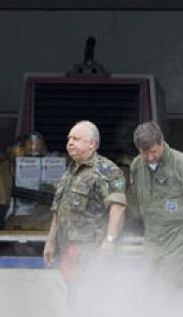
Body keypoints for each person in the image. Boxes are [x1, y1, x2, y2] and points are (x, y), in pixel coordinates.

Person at [128, 121, 183, 302]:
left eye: (154, 152)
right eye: (145, 153)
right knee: (149, 290)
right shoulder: (137, 166)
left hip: (179, 239)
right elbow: (137, 201)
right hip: (152, 238)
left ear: (161, 142)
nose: (150, 157)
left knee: (173, 291)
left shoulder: (182, 164)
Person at [43, 121, 127, 300]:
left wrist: (110, 240)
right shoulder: (70, 171)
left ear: (92, 144)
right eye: (69, 139)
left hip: (93, 251)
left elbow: (118, 207)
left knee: (91, 300)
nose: (70, 143)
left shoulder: (106, 171)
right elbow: (59, 209)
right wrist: (50, 241)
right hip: (70, 249)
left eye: (76, 139)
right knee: (74, 298)